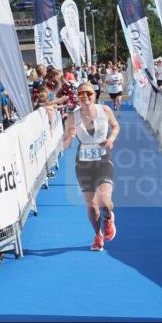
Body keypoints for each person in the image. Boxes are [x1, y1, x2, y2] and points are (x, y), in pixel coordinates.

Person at [63, 82, 120, 251]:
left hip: (103, 160)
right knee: (92, 206)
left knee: (104, 200)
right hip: (83, 164)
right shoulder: (73, 116)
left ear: (94, 94)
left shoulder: (105, 110)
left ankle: (109, 218)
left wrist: (110, 140)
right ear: (77, 97)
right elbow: (64, 145)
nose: (85, 97)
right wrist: (70, 136)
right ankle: (98, 235)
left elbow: (116, 126)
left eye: (88, 93)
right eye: (81, 94)